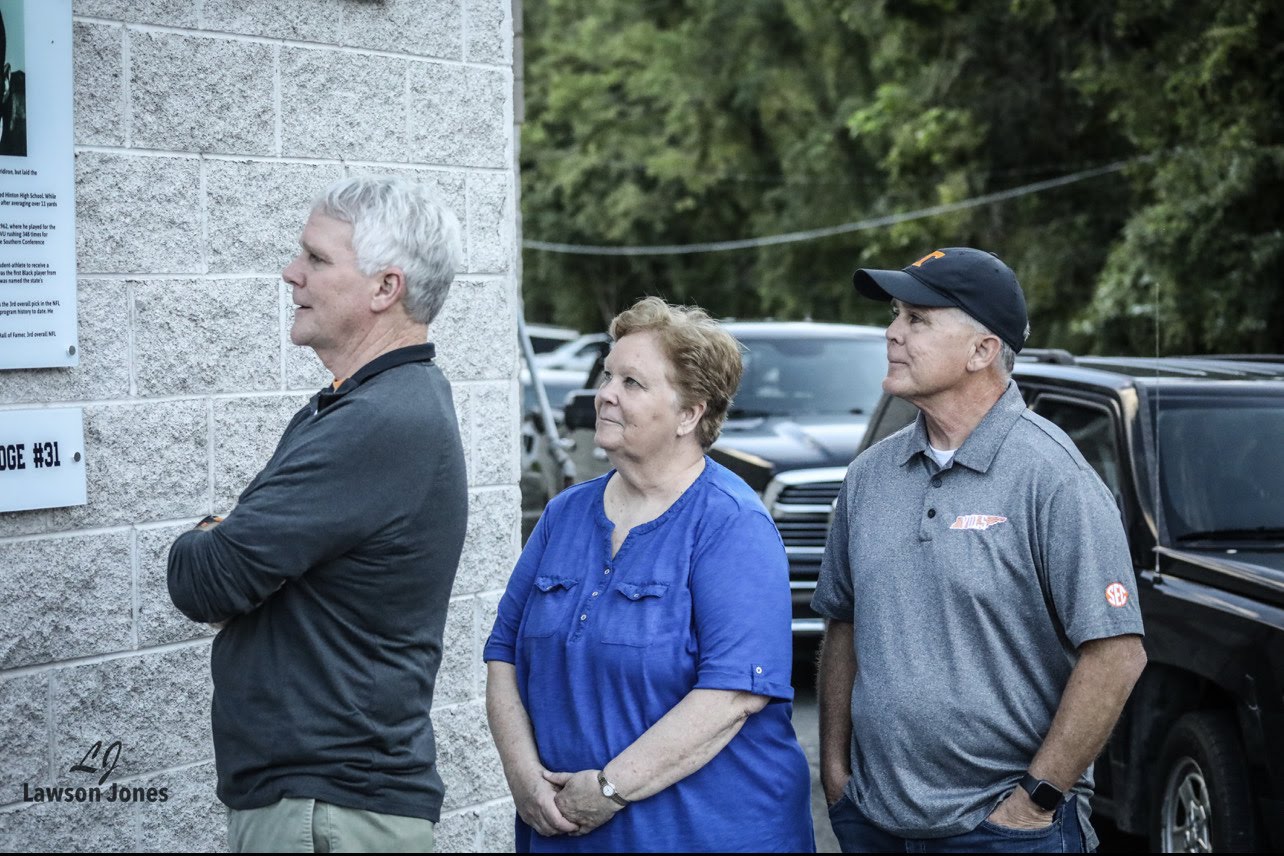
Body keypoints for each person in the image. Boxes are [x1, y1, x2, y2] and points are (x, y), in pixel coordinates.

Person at [168, 175, 467, 853]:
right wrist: (234, 541)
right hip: (318, 805)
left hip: (327, 811)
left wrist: (216, 532)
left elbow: (206, 578)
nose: (290, 272)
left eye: (317, 259)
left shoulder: (380, 421)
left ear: (385, 289)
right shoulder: (361, 406)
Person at [813, 247, 1147, 853]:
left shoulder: (1053, 475)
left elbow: (1117, 655)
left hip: (1004, 832)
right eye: (894, 314)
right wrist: (836, 775)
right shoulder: (869, 477)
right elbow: (845, 622)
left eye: (917, 319)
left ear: (982, 351)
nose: (892, 333)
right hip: (874, 822)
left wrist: (1035, 801)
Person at [484, 297, 815, 853]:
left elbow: (732, 697)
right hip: (565, 834)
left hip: (705, 836)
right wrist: (522, 779)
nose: (606, 393)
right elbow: (503, 655)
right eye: (607, 375)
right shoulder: (565, 515)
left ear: (690, 414)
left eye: (632, 382)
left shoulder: (730, 525)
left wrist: (610, 789)